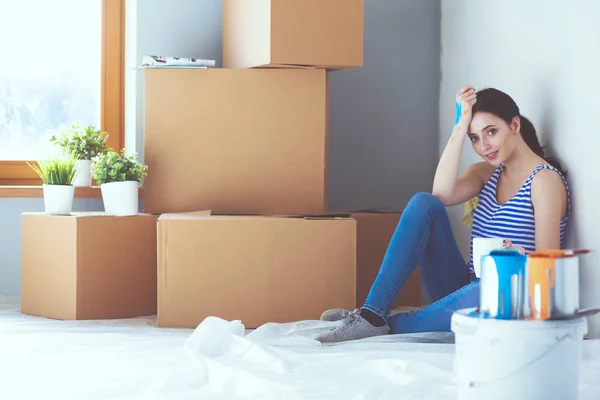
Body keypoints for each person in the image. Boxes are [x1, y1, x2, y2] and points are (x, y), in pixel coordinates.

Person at [316, 85, 571, 343]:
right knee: (423, 203)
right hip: (466, 287)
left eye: (491, 132)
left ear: (514, 125)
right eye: (474, 138)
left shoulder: (544, 181)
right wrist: (460, 126)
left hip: (506, 295)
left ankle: (377, 322)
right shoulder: (487, 172)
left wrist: (513, 257)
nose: (484, 146)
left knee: (492, 287)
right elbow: (440, 194)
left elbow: (547, 271)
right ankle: (373, 312)